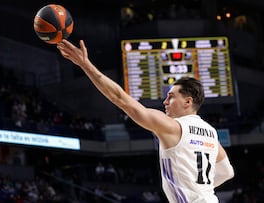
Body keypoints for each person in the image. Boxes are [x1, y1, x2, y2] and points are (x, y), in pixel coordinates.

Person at [57, 39, 235, 203]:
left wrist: (85, 64)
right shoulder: (211, 133)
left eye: (171, 97)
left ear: (188, 102)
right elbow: (227, 172)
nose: (165, 102)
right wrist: (201, 192)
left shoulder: (172, 127)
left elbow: (120, 99)